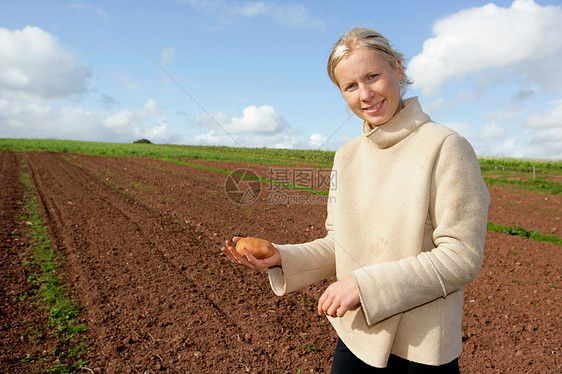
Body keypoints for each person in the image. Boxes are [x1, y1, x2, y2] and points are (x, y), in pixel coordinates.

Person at [221, 27, 490, 373]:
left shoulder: (446, 146)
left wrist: (365, 286)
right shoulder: (346, 157)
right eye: (350, 86)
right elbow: (341, 244)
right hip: (358, 334)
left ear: (398, 69)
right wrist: (281, 257)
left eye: (373, 76)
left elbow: (461, 256)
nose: (365, 94)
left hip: (422, 349)